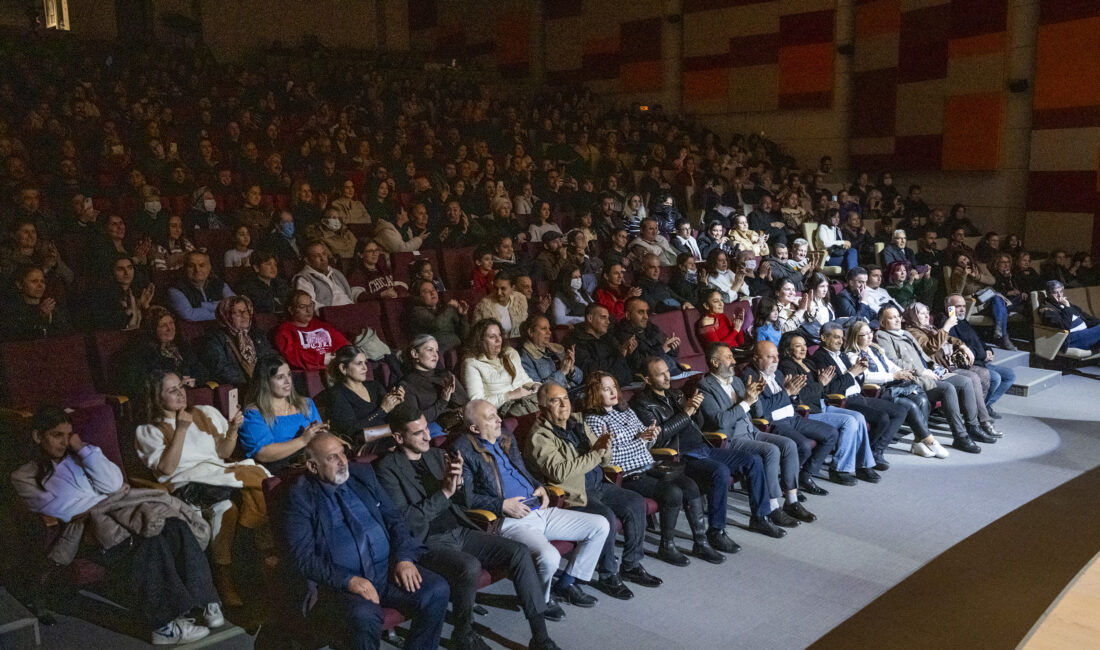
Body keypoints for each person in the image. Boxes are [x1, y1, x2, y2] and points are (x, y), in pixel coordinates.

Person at [13, 406, 224, 645]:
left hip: (118, 510)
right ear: (37, 436)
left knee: (175, 524)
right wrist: (102, 502)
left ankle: (205, 601)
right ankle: (162, 627)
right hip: (90, 529)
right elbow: (61, 508)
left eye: (67, 435)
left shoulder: (78, 458)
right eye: (56, 435)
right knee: (151, 541)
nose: (64, 442)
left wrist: (82, 449)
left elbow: (114, 483)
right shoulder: (24, 475)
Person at [374, 407, 561, 650]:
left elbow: (463, 501)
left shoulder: (435, 455)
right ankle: (463, 635)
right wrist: (445, 492)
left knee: (519, 551)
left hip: (459, 529)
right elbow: (407, 520)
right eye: (418, 433)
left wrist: (459, 484)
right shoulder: (387, 468)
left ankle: (540, 636)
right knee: (469, 566)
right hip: (427, 541)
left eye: (426, 430)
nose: (427, 437)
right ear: (399, 438)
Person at [282, 433, 449, 650]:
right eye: (332, 458)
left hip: (385, 572)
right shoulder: (299, 497)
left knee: (437, 590)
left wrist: (404, 558)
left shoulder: (362, 475)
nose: (343, 461)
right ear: (313, 467)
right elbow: (303, 558)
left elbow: (394, 519)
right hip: (340, 586)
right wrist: (349, 580)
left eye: (343, 453)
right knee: (364, 615)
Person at [454, 399, 610, 616]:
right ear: (474, 427)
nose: (500, 419)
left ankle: (566, 582)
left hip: (539, 508)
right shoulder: (462, 450)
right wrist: (501, 505)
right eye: (491, 418)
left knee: (600, 525)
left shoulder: (505, 436)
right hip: (511, 519)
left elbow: (522, 472)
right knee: (550, 557)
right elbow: (465, 498)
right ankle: (540, 601)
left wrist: (541, 487)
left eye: (497, 414)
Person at [135, 370, 270, 607]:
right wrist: (181, 429)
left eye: (181, 387)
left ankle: (237, 575)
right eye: (172, 390)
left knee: (230, 507)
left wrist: (232, 430)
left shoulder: (206, 412)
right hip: (184, 485)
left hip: (217, 477)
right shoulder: (148, 431)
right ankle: (215, 584)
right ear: (157, 397)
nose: (180, 394)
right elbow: (166, 469)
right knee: (216, 510)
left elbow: (223, 453)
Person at [523, 382, 661, 601]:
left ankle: (631, 565)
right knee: (604, 515)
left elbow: (604, 457)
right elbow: (560, 472)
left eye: (565, 398)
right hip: (572, 494)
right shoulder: (540, 437)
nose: (563, 404)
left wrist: (605, 447)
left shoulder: (577, 421)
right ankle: (608, 575)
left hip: (597, 485)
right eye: (555, 401)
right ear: (542, 407)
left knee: (635, 501)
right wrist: (597, 453)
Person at [631, 356, 772, 556]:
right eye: (660, 374)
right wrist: (686, 413)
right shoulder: (642, 404)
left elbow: (696, 424)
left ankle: (760, 517)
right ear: (646, 379)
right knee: (720, 472)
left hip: (702, 447)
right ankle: (717, 531)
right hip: (679, 456)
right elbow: (658, 437)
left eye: (667, 372)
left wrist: (695, 410)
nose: (667, 377)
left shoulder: (676, 394)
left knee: (753, 460)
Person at [581, 371, 720, 566]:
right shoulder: (594, 421)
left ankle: (701, 542)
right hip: (629, 474)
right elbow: (611, 457)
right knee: (672, 493)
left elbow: (646, 444)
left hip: (650, 464)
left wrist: (651, 436)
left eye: (614, 387)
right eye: (606, 389)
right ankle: (667, 546)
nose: (613, 392)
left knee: (690, 485)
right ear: (595, 393)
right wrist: (640, 440)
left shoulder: (626, 410)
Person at [694, 342, 803, 534]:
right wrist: (746, 402)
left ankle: (792, 501)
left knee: (788, 444)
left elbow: (758, 412)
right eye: (728, 357)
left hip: (751, 430)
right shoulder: (705, 387)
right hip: (731, 438)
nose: (733, 361)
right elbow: (721, 421)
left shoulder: (736, 381)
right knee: (771, 450)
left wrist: (755, 396)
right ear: (714, 362)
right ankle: (772, 507)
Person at [873, 306, 987, 452]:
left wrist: (935, 367)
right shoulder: (883, 336)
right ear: (882, 322)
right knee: (948, 388)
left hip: (930, 373)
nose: (897, 320)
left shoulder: (905, 334)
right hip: (913, 378)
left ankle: (973, 426)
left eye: (897, 316)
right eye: (891, 317)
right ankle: (960, 436)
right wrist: (923, 371)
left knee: (965, 382)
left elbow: (923, 356)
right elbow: (893, 362)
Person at [774, 334, 882, 484]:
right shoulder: (787, 366)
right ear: (787, 349)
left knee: (858, 417)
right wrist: (820, 384)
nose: (804, 348)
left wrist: (821, 385)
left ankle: (863, 464)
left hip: (822, 404)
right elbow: (801, 395)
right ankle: (839, 469)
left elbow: (823, 390)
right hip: (807, 411)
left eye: (805, 344)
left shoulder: (809, 363)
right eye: (798, 346)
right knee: (849, 421)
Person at [741, 342, 847, 488]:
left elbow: (791, 399)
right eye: (770, 357)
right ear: (756, 358)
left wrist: (793, 395)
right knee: (803, 445)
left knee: (831, 433)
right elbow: (761, 410)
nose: (776, 361)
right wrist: (787, 393)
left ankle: (806, 475)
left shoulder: (777, 373)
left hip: (794, 417)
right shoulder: (748, 377)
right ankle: (789, 483)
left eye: (777, 356)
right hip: (773, 423)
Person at [841, 321, 951, 459]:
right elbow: (867, 377)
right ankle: (930, 441)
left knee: (921, 399)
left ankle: (919, 441)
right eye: (865, 334)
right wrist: (892, 376)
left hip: (891, 386)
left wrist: (902, 372)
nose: (870, 336)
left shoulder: (874, 349)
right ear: (855, 337)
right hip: (877, 391)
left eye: (870, 332)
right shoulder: (853, 355)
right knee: (910, 406)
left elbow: (890, 365)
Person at [903, 302, 1002, 440]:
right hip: (938, 368)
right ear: (913, 315)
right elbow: (929, 347)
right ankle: (980, 423)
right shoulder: (912, 331)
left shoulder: (929, 327)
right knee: (972, 377)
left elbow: (950, 338)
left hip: (950, 363)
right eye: (921, 313)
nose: (926, 315)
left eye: (927, 312)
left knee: (985, 374)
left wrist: (963, 346)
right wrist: (947, 327)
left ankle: (975, 415)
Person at [238, 355, 327, 471]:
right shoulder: (254, 413)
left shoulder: (306, 403)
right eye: (280, 377)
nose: (288, 381)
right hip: (281, 470)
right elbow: (262, 453)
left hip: (315, 463)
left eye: (289, 374)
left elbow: (320, 437)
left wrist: (322, 433)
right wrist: (302, 440)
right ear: (265, 382)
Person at [321, 346, 405, 443]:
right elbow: (350, 431)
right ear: (343, 368)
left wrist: (396, 403)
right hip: (363, 442)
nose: (365, 368)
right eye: (359, 364)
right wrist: (382, 410)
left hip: (389, 432)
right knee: (401, 438)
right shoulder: (336, 394)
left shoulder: (374, 386)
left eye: (365, 362)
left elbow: (391, 417)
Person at [120, 306, 208, 397]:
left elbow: (202, 371)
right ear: (152, 329)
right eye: (163, 325)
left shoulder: (182, 346)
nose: (170, 328)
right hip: (161, 400)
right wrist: (176, 383)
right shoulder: (140, 352)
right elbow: (136, 385)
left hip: (189, 394)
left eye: (171, 323)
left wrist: (194, 380)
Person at [462, 318, 541, 416]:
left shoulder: (510, 353)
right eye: (492, 337)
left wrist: (535, 386)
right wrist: (510, 395)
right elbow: (476, 403)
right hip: (502, 410)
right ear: (480, 341)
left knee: (553, 394)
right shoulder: (472, 364)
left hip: (525, 401)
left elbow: (525, 381)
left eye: (499, 335)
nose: (499, 340)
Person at [946, 251, 1016, 350]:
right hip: (974, 303)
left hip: (987, 297)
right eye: (961, 262)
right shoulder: (957, 272)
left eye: (965, 259)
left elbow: (992, 281)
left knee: (997, 298)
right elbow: (957, 293)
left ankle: (1001, 332)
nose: (965, 262)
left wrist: (977, 276)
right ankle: (1003, 337)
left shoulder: (979, 266)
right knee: (999, 302)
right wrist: (964, 276)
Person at [202, 295, 275, 386]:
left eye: (247, 311)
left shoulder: (256, 334)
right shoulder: (214, 339)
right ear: (226, 315)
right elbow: (221, 369)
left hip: (264, 383)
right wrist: (252, 382)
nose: (244, 315)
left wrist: (269, 377)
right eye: (238, 312)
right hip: (238, 388)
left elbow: (271, 357)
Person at [272, 290, 350, 371]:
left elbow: (343, 345)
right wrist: (322, 359)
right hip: (310, 374)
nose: (309, 310)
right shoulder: (284, 331)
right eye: (303, 307)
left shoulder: (322, 325)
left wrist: (338, 357)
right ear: (291, 310)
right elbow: (293, 357)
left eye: (310, 305)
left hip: (335, 368)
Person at [568, 303, 636, 387]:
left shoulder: (608, 338)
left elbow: (623, 364)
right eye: (603, 317)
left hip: (626, 385)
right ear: (590, 318)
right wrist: (620, 355)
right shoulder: (577, 341)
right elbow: (590, 371)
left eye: (608, 318)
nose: (608, 322)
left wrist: (626, 352)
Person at [1, 264, 72, 340]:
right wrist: (39, 315)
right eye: (34, 281)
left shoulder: (52, 307)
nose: (40, 285)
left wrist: (51, 317)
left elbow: (68, 335)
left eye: (42, 281)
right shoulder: (10, 310)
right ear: (19, 285)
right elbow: (16, 337)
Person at [520, 313, 583, 393]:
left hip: (575, 391)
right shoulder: (525, 358)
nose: (549, 332)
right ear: (530, 332)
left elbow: (580, 379)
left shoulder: (556, 349)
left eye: (549, 329)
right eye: (544, 329)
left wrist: (571, 368)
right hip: (556, 398)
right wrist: (563, 372)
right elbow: (538, 390)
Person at [293, 240, 364, 309]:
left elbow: (349, 295)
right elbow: (309, 305)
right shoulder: (304, 279)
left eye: (324, 254)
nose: (323, 258)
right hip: (332, 315)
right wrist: (329, 313)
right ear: (307, 260)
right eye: (317, 256)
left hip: (352, 310)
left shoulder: (336, 273)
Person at [167, 251, 235, 322]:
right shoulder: (174, 290)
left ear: (209, 267)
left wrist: (204, 305)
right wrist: (222, 310)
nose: (197, 270)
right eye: (191, 266)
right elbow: (190, 315)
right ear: (184, 268)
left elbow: (234, 305)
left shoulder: (220, 284)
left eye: (202, 265)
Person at [406, 278, 470, 354]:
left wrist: (463, 316)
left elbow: (464, 335)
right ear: (418, 297)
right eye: (426, 291)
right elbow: (437, 325)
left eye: (433, 289)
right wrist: (449, 307)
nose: (432, 293)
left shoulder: (444, 308)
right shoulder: (417, 312)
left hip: (454, 349)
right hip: (433, 353)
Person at [1037, 280, 1100, 353]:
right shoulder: (1046, 309)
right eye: (1055, 292)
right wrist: (1067, 307)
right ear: (1048, 293)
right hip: (1072, 339)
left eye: (1061, 291)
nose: (1059, 295)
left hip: (1085, 333)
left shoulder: (1064, 303)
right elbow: (1063, 325)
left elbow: (1086, 317)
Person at [471, 272, 529, 338]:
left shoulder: (520, 300)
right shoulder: (484, 306)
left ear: (513, 288)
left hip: (518, 343)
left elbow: (524, 327)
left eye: (503, 289)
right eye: (496, 288)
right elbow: (476, 334)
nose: (499, 293)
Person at [237, 249, 290, 314]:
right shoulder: (247, 286)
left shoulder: (281, 283)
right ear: (256, 268)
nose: (273, 268)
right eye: (268, 264)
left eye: (275, 264)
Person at [815, 208, 859, 272]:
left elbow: (837, 246)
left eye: (838, 217)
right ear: (829, 218)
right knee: (850, 260)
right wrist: (842, 242)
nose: (837, 219)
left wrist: (844, 246)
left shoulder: (836, 229)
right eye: (834, 217)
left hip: (835, 255)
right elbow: (825, 243)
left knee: (852, 251)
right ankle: (854, 277)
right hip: (827, 258)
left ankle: (853, 276)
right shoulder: (823, 227)